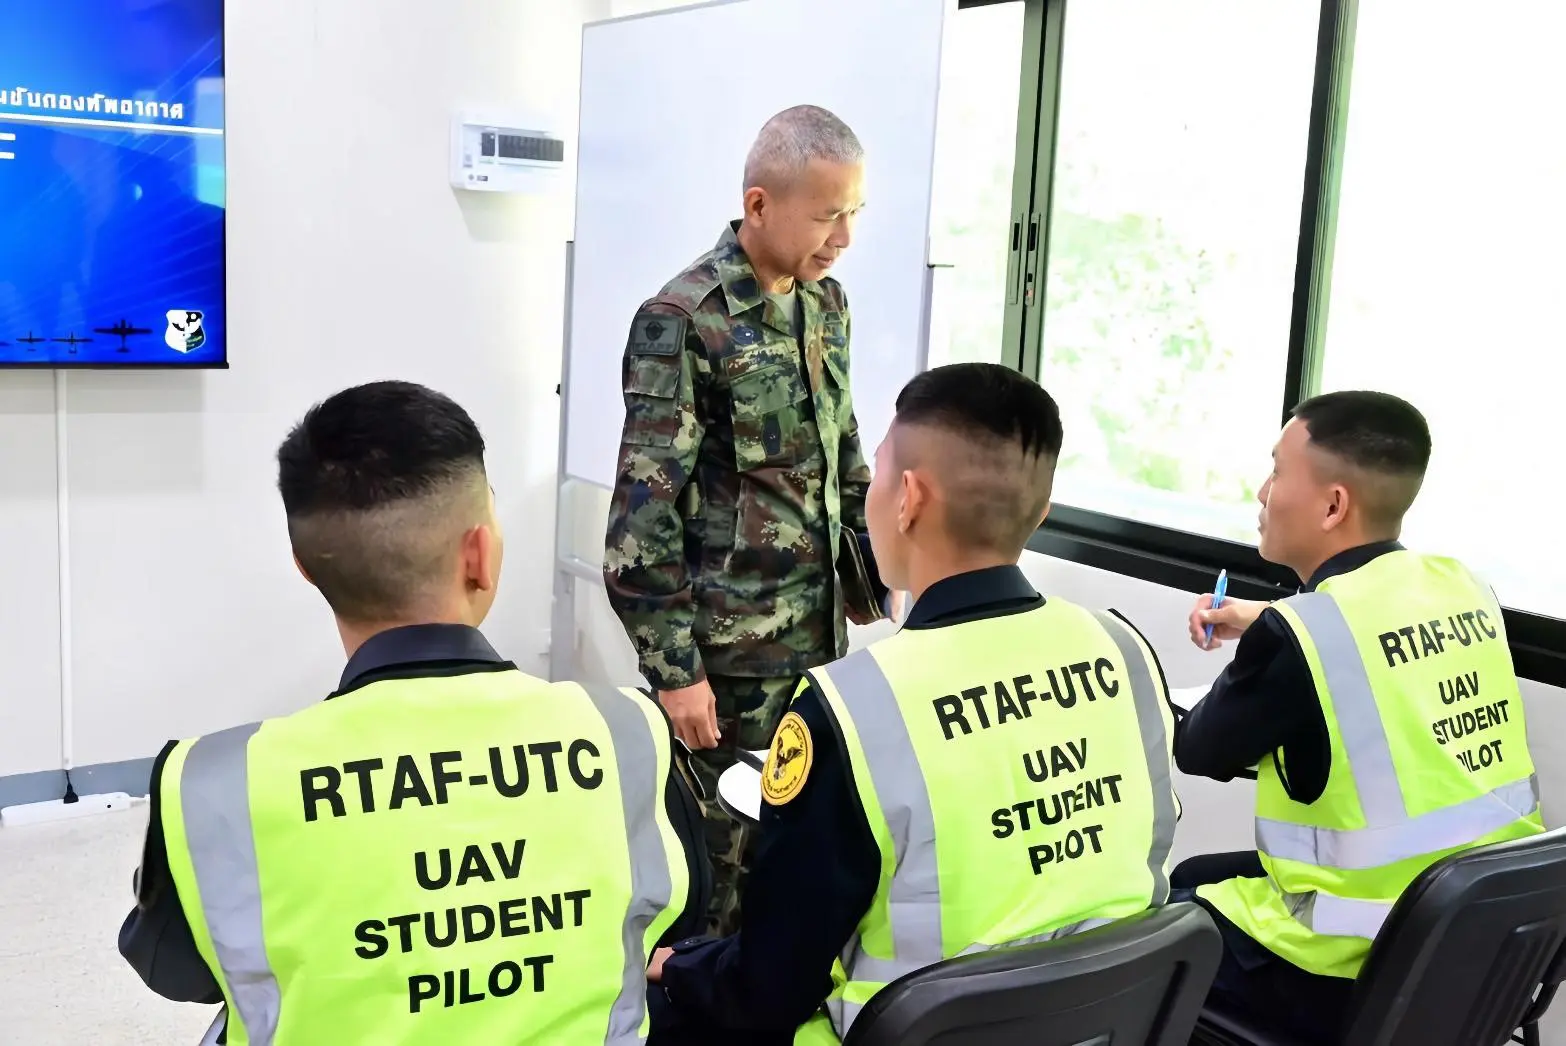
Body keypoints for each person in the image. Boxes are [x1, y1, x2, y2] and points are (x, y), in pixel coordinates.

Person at [118, 380, 710, 1044]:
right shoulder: (628, 733)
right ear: (479, 555)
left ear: (306, 567)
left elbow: (175, 969)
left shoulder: (215, 783)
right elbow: (677, 918)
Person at [645, 362, 1182, 1044]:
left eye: (874, 475)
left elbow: (770, 988)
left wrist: (683, 968)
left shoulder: (852, 708)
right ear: (1040, 513)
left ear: (908, 499)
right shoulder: (1122, 650)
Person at [1172, 390, 1543, 1044]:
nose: (1262, 492)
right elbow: (1374, 636)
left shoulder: (1299, 636)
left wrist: (1271, 634)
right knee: (1200, 877)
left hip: (1350, 968)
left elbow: (1199, 749)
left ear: (1333, 505)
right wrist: (1264, 617)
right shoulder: (1463, 586)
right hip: (1480, 939)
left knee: (1160, 936)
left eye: (1277, 471)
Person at [603, 104, 883, 936]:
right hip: (725, 665)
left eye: (854, 213)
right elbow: (642, 516)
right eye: (827, 215)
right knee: (721, 878)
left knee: (798, 860)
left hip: (815, 645)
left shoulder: (825, 304)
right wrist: (675, 672)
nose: (843, 238)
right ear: (759, 204)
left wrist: (870, 576)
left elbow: (843, 449)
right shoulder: (683, 319)